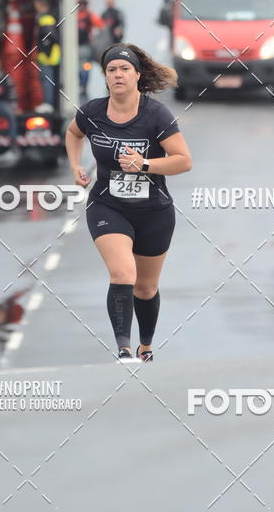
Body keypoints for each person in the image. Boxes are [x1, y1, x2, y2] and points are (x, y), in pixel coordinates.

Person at [65, 43, 192, 363]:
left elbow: (183, 162)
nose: (118, 75)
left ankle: (144, 347)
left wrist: (145, 164)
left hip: (154, 211)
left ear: (137, 75)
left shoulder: (155, 115)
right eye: (111, 70)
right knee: (123, 273)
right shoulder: (92, 112)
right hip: (109, 206)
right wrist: (75, 165)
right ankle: (123, 349)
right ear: (105, 78)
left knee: (146, 288)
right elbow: (73, 132)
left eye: (124, 69)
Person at [33, 0, 61, 110]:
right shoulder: (48, 18)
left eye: (37, 5)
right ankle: (49, 103)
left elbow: (50, 37)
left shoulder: (45, 19)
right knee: (49, 79)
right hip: (50, 55)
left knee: (47, 80)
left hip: (48, 56)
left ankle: (48, 104)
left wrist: (45, 51)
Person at [77, 0, 105, 99]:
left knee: (86, 67)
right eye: (80, 4)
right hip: (73, 47)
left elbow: (102, 27)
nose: (82, 6)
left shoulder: (90, 16)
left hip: (85, 47)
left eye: (84, 4)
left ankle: (83, 86)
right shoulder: (73, 15)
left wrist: (96, 41)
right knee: (77, 68)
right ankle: (80, 85)